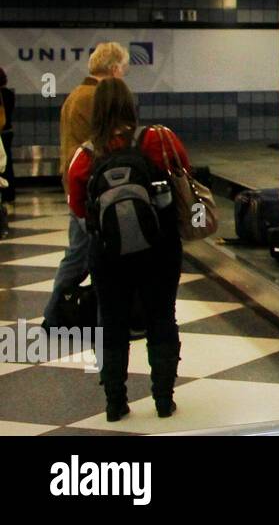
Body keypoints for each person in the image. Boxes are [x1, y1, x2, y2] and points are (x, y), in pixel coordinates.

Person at [65, 78, 188, 422]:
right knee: (162, 316)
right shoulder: (157, 139)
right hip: (160, 248)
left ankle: (115, 403)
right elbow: (184, 174)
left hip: (108, 254)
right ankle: (163, 399)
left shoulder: (86, 155)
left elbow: (77, 208)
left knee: (112, 322)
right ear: (131, 105)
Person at [43, 42, 129, 331]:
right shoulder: (95, 97)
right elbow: (106, 140)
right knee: (90, 255)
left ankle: (56, 314)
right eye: (124, 68)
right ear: (115, 68)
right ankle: (65, 315)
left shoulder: (76, 94)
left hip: (76, 181)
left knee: (79, 253)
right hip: (90, 185)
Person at [0, 66, 15, 208]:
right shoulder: (10, 94)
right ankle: (10, 192)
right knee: (8, 162)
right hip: (9, 131)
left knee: (2, 164)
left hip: (1, 132)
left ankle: (3, 192)